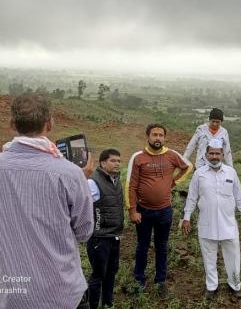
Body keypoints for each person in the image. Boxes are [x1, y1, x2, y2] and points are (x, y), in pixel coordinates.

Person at [0, 94, 94, 309]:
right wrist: (81, 179)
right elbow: (84, 232)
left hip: (12, 295)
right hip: (62, 295)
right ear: (49, 123)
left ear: (12, 124)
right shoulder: (69, 173)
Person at [126, 123, 192, 298]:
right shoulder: (138, 157)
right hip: (143, 211)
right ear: (148, 136)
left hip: (164, 211)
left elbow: (187, 167)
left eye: (161, 135)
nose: (158, 138)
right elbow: (130, 186)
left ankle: (160, 281)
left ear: (164, 137)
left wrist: (174, 182)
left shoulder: (171, 155)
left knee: (162, 246)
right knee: (142, 246)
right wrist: (132, 210)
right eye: (154, 135)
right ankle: (139, 280)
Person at [182, 139, 241, 299]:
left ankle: (235, 285)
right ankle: (211, 287)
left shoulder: (231, 172)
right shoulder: (199, 174)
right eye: (211, 153)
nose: (214, 156)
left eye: (217, 153)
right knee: (209, 257)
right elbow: (192, 198)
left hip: (228, 225)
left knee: (234, 257)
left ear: (222, 155)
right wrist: (186, 217)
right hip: (207, 224)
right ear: (206, 154)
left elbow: (239, 196)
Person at [87, 149, 124, 309]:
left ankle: (108, 303)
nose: (117, 163)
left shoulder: (116, 180)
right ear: (103, 163)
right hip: (99, 237)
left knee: (111, 272)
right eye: (113, 161)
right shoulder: (92, 182)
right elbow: (83, 207)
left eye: (118, 161)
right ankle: (92, 305)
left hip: (114, 235)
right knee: (98, 274)